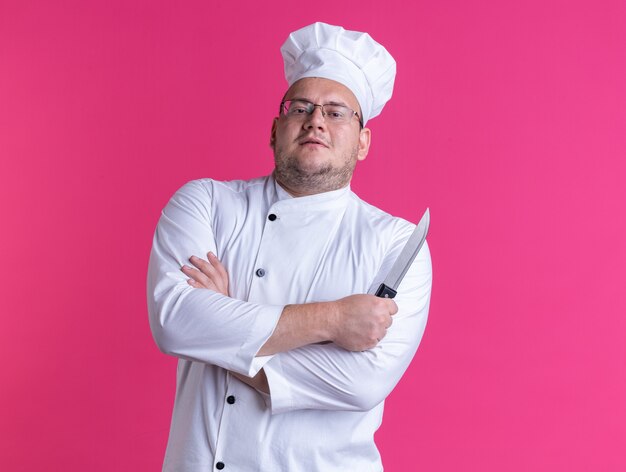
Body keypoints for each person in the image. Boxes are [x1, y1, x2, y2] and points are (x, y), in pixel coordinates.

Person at [147, 21, 432, 472]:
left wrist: (222, 322)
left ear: (363, 142)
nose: (316, 119)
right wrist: (334, 319)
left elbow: (360, 383)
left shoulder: (394, 242)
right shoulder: (206, 202)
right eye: (300, 107)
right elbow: (176, 322)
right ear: (275, 129)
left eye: (337, 112)